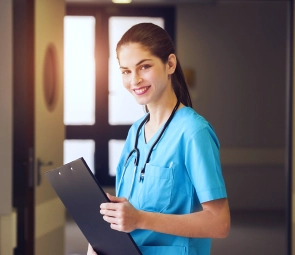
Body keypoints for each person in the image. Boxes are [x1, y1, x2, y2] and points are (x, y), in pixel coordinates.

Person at [87, 22, 230, 255]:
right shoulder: (135, 131)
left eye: (144, 67)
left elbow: (219, 222)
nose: (134, 80)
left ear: (170, 64)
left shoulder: (193, 132)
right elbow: (128, 211)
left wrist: (140, 219)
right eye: (126, 71)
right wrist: (100, 238)